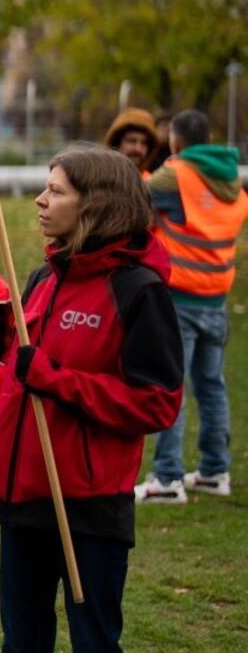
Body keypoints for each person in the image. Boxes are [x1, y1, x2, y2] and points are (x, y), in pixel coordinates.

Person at [0, 147, 183, 653]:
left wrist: (56, 379)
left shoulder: (139, 290)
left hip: (88, 505)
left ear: (96, 204)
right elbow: (15, 372)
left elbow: (156, 402)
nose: (41, 201)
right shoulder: (44, 278)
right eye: (44, 188)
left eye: (57, 191)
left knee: (93, 639)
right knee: (22, 639)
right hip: (24, 495)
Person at [137, 109, 248, 503]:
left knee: (172, 386)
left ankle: (167, 477)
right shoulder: (229, 177)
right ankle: (215, 471)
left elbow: (135, 197)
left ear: (176, 140)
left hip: (179, 297)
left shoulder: (177, 174)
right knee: (211, 385)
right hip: (216, 298)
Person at [102, 108, 160, 177]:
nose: (138, 149)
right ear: (116, 144)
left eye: (144, 143)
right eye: (132, 141)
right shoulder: (100, 179)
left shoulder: (151, 183)